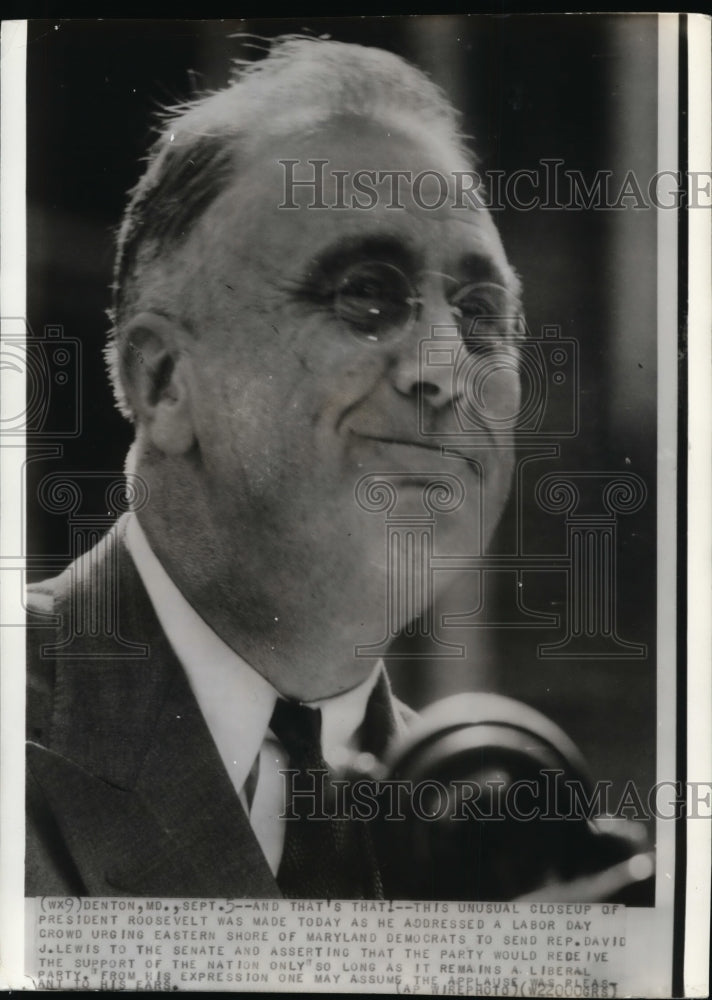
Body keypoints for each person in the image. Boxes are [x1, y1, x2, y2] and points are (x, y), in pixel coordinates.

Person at [25, 37, 522, 898]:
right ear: (165, 382)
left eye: (480, 313)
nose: (447, 365)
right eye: (365, 294)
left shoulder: (485, 824)